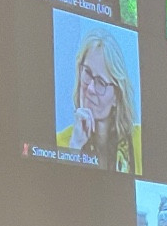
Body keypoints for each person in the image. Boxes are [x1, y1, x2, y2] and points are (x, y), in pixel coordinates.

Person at [58, 29, 138, 172]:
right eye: (87, 73)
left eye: (101, 82)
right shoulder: (62, 142)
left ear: (116, 96)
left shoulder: (139, 141)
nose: (90, 88)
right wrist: (74, 149)